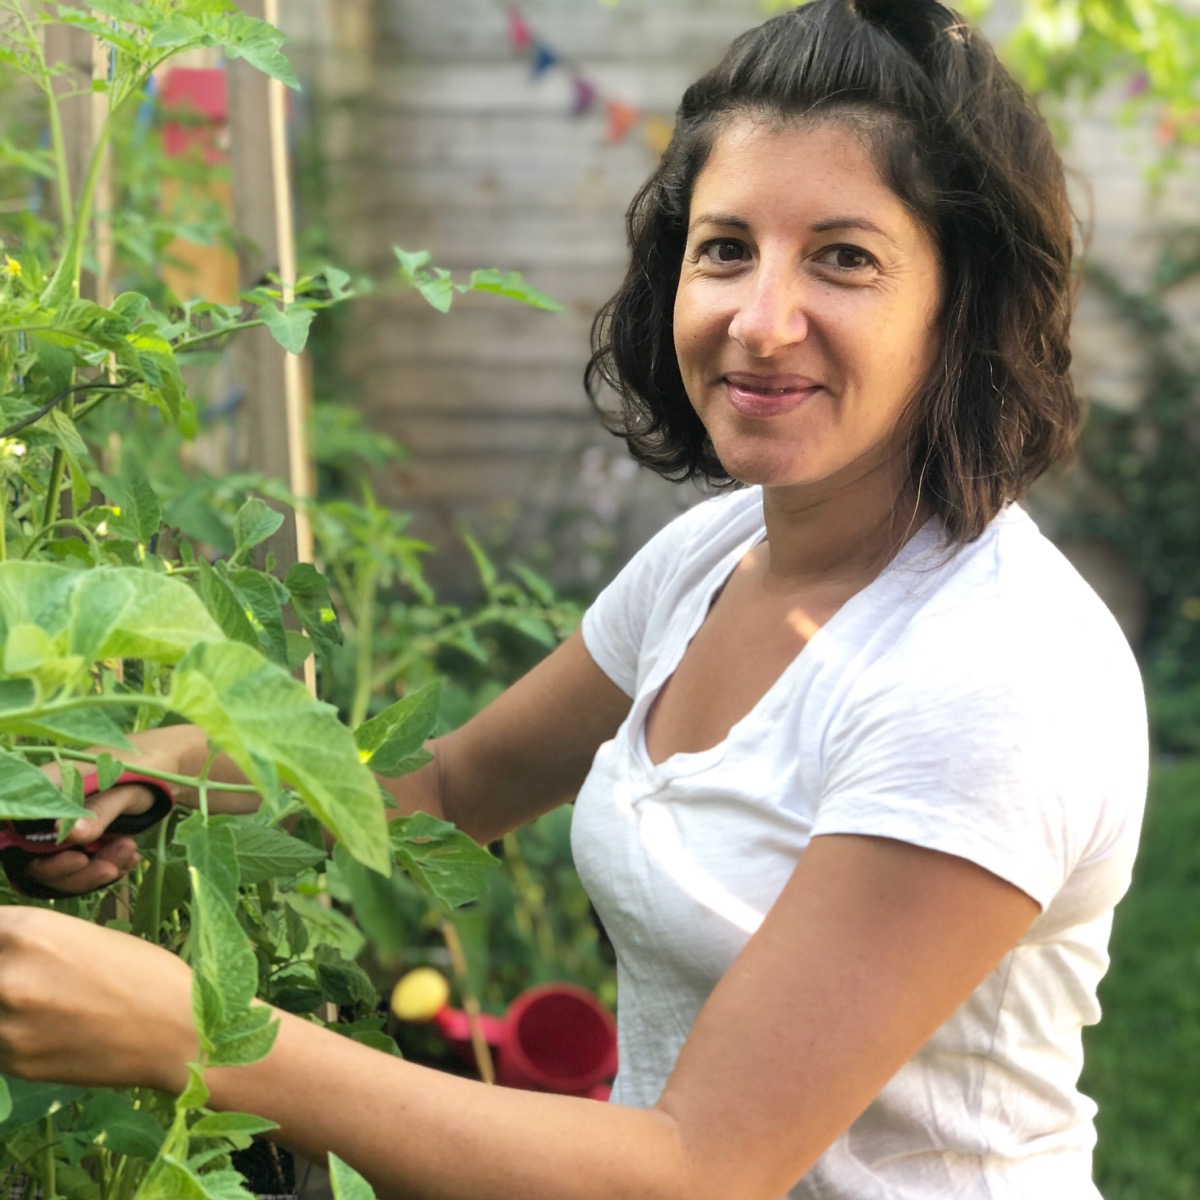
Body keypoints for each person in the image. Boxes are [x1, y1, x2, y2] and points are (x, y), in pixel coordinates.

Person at [0, 1, 1148, 1197]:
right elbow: (453, 789)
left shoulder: (996, 674)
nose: (759, 320)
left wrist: (204, 1037)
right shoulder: (710, 560)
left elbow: (700, 1169)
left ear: (963, 304)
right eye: (725, 248)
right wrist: (184, 774)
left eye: (844, 257)